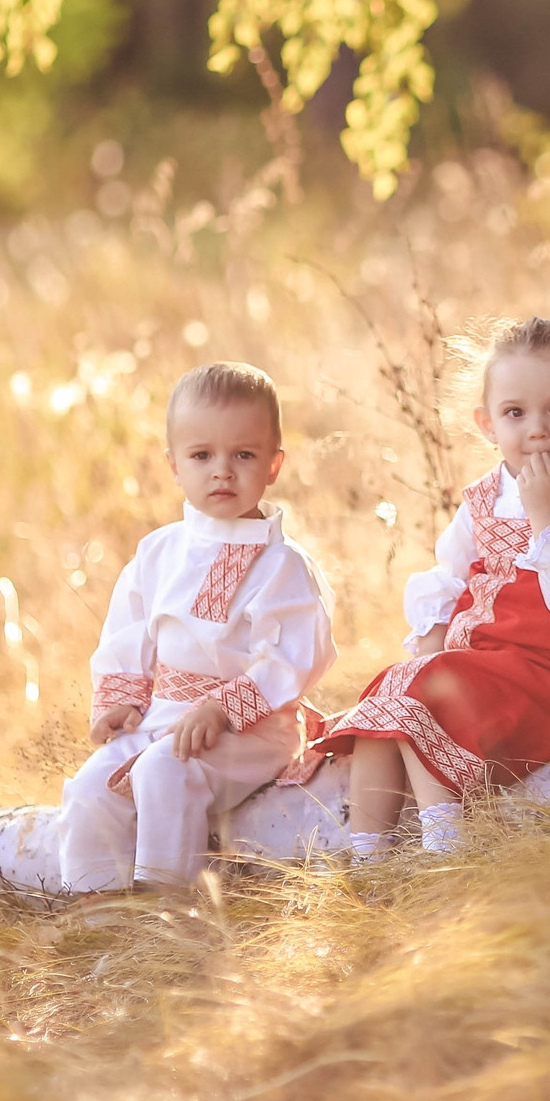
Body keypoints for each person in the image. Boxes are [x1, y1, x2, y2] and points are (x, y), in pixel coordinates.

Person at [322, 315, 550, 858]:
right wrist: (434, 630)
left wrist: (549, 523)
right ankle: (367, 853)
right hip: (484, 670)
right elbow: (450, 574)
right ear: (487, 423)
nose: (537, 429)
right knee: (395, 684)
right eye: (515, 413)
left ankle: (445, 842)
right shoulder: (484, 499)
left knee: (431, 686)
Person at [59, 361, 336, 893]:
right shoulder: (159, 551)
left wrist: (223, 708)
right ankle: (95, 907)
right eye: (202, 455)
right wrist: (119, 697)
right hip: (161, 712)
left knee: (165, 770)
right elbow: (129, 630)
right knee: (91, 787)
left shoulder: (282, 564)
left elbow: (296, 656)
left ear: (274, 464)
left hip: (251, 727)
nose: (223, 471)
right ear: (173, 465)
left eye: (244, 455)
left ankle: (165, 907)